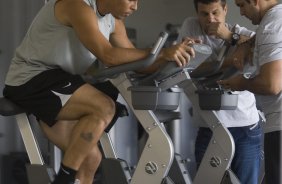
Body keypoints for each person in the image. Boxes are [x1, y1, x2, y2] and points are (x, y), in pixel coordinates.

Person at [2, 0, 195, 183]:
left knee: (90, 159)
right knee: (104, 106)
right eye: (131, 0)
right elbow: (108, 55)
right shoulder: (77, 6)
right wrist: (160, 53)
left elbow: (138, 64)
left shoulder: (115, 22)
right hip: (32, 78)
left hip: (60, 79)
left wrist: (174, 58)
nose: (135, 7)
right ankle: (64, 180)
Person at [176, 0, 263, 183]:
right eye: (204, 14)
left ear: (225, 9)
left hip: (245, 126)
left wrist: (230, 37)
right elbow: (187, 69)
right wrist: (229, 62)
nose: (210, 19)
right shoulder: (191, 27)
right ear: (197, 13)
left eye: (215, 12)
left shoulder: (244, 34)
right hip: (210, 125)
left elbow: (262, 53)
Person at [218, 0, 282, 183]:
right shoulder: (275, 20)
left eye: (241, 5)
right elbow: (261, 39)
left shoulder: (272, 24)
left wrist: (242, 83)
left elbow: (272, 85)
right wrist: (243, 44)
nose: (241, 12)